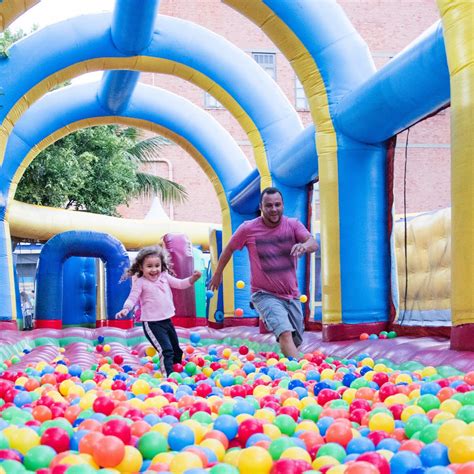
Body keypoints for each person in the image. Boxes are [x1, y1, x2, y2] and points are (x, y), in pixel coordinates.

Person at [209, 187, 318, 358]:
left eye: (277, 205)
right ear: (261, 206)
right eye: (269, 206)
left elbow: (313, 243)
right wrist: (218, 273)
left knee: (295, 339)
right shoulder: (248, 228)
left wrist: (303, 246)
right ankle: (300, 372)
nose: (274, 209)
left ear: (283, 205)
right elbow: (228, 249)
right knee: (285, 333)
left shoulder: (293, 225)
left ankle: (288, 364)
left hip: (291, 295)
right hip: (264, 294)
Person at [116, 245, 201, 375]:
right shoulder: (140, 281)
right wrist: (125, 309)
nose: (154, 269)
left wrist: (192, 279)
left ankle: (176, 373)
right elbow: (133, 297)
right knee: (166, 350)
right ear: (141, 267)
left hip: (167, 320)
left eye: (157, 265)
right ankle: (168, 377)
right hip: (152, 323)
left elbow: (180, 284)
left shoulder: (164, 277)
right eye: (149, 266)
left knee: (176, 351)